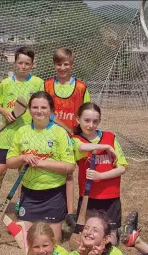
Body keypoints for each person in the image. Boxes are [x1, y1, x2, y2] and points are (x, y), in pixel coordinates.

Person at [6, 91, 76, 243]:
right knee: (28, 242)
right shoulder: (21, 132)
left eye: (44, 107)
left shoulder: (59, 133)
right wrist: (22, 158)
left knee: (54, 241)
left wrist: (42, 162)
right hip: (29, 194)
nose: (39, 111)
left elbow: (70, 167)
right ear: (29, 110)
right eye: (35, 107)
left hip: (53, 194)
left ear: (51, 111)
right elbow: (10, 162)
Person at [43, 48, 92, 227]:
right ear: (54, 65)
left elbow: (87, 112)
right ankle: (54, 208)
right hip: (53, 136)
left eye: (66, 64)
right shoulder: (47, 85)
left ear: (72, 65)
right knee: (55, 172)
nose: (62, 67)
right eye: (58, 64)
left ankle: (73, 212)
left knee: (74, 174)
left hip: (76, 138)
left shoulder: (80, 87)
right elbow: (45, 111)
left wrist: (83, 133)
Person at [0, 47, 44, 202]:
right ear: (15, 63)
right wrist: (5, 112)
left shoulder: (38, 83)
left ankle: (21, 203)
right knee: (0, 170)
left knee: (24, 171)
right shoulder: (6, 83)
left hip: (28, 135)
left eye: (27, 63)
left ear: (32, 65)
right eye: (20, 63)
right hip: (8, 135)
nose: (23, 66)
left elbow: (42, 105)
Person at [71, 102, 128, 245]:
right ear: (78, 120)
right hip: (89, 197)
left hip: (111, 196)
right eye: (87, 120)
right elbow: (84, 147)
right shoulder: (75, 140)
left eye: (95, 121)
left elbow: (122, 168)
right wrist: (106, 146)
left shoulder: (110, 136)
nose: (91, 125)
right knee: (88, 237)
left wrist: (100, 176)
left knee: (111, 238)